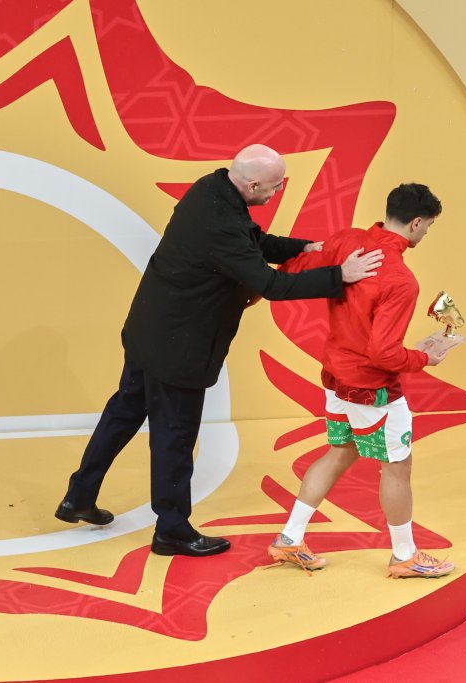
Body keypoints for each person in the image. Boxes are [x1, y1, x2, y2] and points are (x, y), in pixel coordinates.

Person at [55, 144, 384, 558]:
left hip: (148, 330)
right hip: (178, 348)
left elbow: (251, 241)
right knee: (174, 439)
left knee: (123, 412)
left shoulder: (211, 188)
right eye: (276, 186)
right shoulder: (222, 223)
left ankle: (79, 496)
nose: (278, 191)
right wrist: (339, 275)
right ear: (253, 185)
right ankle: (171, 530)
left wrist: (303, 249)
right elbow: (271, 285)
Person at [267, 183, 455, 579]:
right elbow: (384, 354)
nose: (425, 233)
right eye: (428, 226)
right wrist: (425, 357)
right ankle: (405, 556)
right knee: (397, 467)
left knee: (340, 452)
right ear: (416, 223)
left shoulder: (346, 240)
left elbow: (294, 269)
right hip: (373, 388)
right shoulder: (401, 280)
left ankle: (289, 538)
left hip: (335, 376)